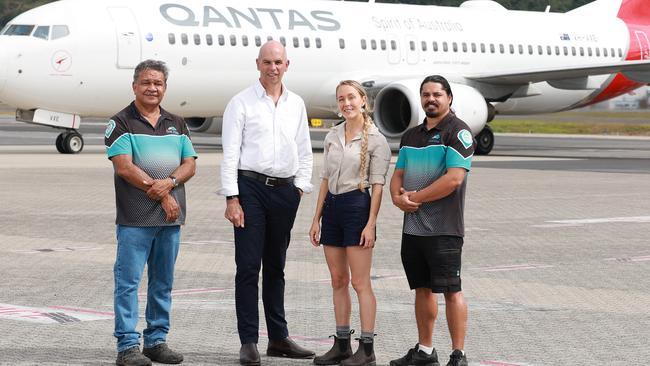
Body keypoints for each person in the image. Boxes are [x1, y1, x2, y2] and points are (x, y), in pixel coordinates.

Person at [220, 40, 314, 366]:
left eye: (278, 62)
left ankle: (278, 338)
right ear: (257, 63)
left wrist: (299, 188)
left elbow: (304, 148)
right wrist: (232, 198)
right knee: (248, 267)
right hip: (250, 190)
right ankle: (248, 341)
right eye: (267, 62)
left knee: (276, 267)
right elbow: (230, 153)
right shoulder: (241, 103)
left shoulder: (296, 104)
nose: (273, 68)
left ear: (287, 64)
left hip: (285, 193)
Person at [105, 59, 197, 366]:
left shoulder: (177, 123)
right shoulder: (120, 122)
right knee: (128, 281)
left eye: (158, 83)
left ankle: (156, 341)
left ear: (165, 88)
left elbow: (189, 165)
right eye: (146, 82)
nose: (152, 88)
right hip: (135, 220)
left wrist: (169, 184)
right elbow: (124, 167)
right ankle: (128, 346)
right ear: (134, 86)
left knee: (163, 281)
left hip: (170, 220)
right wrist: (160, 193)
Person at [388, 75, 474, 366]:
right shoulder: (411, 136)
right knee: (422, 289)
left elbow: (453, 180)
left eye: (437, 94)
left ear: (449, 97)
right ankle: (425, 352)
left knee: (451, 290)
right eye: (425, 95)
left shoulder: (459, 132)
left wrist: (415, 198)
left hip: (445, 228)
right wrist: (397, 198)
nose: (431, 99)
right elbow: (397, 174)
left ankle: (458, 354)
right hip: (413, 229)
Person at [309, 80, 391, 366]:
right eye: (341, 99)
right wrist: (316, 218)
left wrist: (371, 224)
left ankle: (366, 348)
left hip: (357, 207)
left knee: (360, 282)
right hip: (332, 207)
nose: (346, 103)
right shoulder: (332, 135)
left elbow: (378, 187)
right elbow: (323, 179)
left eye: (351, 98)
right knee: (337, 280)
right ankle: (341, 344)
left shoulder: (376, 139)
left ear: (363, 100)